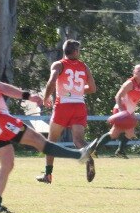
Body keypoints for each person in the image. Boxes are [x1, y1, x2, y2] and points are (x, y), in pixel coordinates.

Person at [0, 43, 97, 213]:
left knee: (7, 163)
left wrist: (28, 96)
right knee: (38, 140)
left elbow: (4, 88)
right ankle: (79, 155)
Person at [36, 39, 97, 184]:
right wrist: (77, 90)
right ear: (75, 52)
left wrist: (46, 98)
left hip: (63, 105)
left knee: (51, 141)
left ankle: (48, 175)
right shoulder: (84, 66)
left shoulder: (59, 64)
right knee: (78, 140)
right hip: (79, 105)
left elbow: (51, 81)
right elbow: (93, 89)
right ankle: (87, 156)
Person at [92, 64, 140, 158]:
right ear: (134, 72)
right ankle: (96, 151)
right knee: (117, 132)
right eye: (138, 71)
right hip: (120, 110)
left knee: (126, 133)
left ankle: (117, 152)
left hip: (129, 112)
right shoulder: (129, 83)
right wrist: (122, 111)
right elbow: (118, 96)